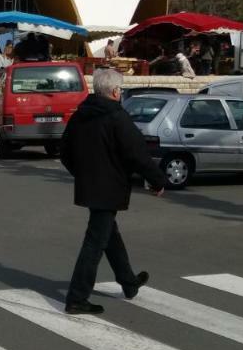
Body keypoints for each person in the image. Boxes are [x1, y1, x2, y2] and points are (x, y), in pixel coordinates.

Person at [59, 68, 165, 315]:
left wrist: (83, 174)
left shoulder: (81, 115)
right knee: (95, 242)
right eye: (122, 89)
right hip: (110, 187)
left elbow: (65, 151)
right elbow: (137, 152)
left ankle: (128, 282)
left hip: (92, 186)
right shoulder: (117, 117)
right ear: (116, 91)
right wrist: (158, 181)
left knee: (108, 234)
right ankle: (77, 297)